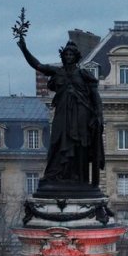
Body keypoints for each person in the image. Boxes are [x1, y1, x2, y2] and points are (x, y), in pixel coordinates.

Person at [15, 12, 104, 189]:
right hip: (62, 114)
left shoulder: (84, 74)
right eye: (66, 54)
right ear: (63, 56)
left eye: (72, 54)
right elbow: (38, 65)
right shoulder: (58, 72)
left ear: (76, 56)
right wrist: (24, 49)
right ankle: (55, 175)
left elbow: (96, 97)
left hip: (80, 115)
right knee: (57, 141)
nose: (69, 56)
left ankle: (79, 178)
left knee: (79, 146)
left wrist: (99, 116)